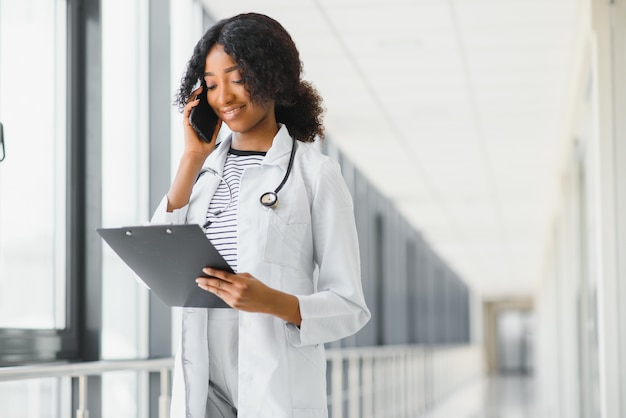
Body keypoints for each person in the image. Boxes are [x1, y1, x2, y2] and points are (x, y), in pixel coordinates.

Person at [151, 12, 370, 418]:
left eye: (237, 79)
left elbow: (349, 306)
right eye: (212, 85)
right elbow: (153, 262)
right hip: (204, 381)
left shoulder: (315, 173)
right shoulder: (203, 174)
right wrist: (191, 160)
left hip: (274, 383)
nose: (225, 97)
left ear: (272, 76)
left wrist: (272, 301)